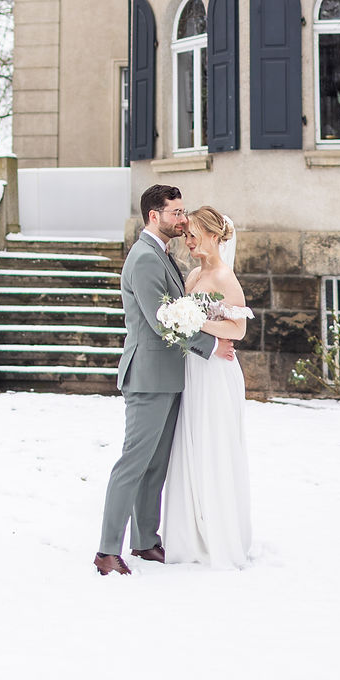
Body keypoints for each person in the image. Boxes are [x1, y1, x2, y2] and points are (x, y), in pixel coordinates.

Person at [94, 184, 236, 576]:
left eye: (182, 211)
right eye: (176, 212)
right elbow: (161, 322)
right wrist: (211, 345)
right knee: (133, 463)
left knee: (155, 466)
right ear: (154, 215)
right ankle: (107, 551)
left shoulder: (164, 254)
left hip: (170, 376)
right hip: (147, 376)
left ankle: (145, 541)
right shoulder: (144, 258)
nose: (183, 219)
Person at [163, 204, 252, 569]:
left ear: (214, 236)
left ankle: (220, 535)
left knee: (214, 444)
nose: (188, 240)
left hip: (216, 373)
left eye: (193, 234)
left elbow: (238, 329)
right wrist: (186, 322)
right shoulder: (194, 274)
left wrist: (196, 322)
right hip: (194, 370)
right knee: (192, 442)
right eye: (185, 234)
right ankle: (191, 533)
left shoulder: (225, 278)